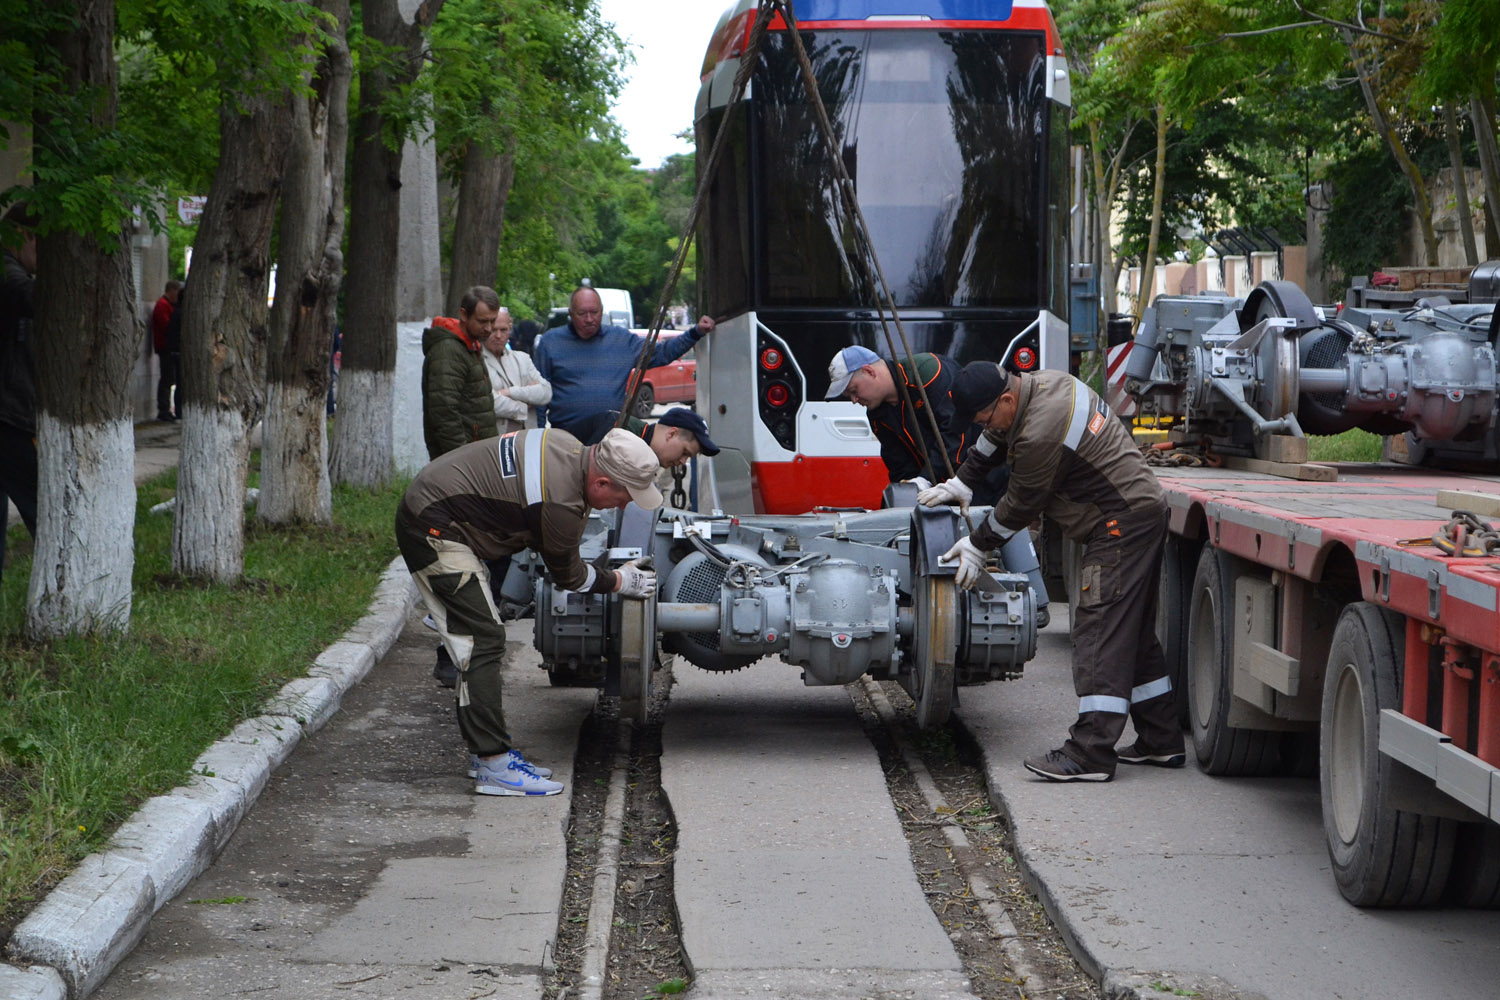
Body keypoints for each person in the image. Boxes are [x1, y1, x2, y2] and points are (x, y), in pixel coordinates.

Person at [922, 361, 1181, 783]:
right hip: (1136, 512)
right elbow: (994, 435)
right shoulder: (1039, 385)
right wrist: (964, 480)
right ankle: (1161, 739)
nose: (983, 425)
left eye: (984, 414)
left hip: (1118, 524)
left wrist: (976, 545)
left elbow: (1021, 504)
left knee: (1098, 631)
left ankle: (1090, 753)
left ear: (1006, 398)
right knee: (1129, 631)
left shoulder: (1041, 432)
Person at [395, 428, 663, 796]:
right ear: (601, 481)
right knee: (483, 639)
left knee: (478, 636)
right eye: (624, 496)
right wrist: (618, 581)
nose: (623, 507)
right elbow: (568, 575)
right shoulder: (562, 503)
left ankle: (485, 754)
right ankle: (493, 764)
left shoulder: (568, 443)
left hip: (435, 501)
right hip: (433, 526)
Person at [828, 344, 1050, 626]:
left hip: (979, 468)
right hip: (937, 480)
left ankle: (1034, 601)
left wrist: (927, 479)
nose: (853, 399)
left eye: (853, 390)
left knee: (995, 519)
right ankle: (952, 607)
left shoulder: (930, 374)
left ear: (870, 371)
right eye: (849, 395)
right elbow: (896, 460)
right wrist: (908, 492)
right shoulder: (878, 412)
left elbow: (957, 435)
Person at [422, 285, 502, 686]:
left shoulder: (467, 346)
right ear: (464, 314)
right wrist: (466, 468)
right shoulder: (449, 350)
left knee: (480, 565)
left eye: (493, 322)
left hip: (469, 473)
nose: (489, 329)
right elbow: (444, 413)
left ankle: (461, 654)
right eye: (483, 321)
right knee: (461, 568)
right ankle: (448, 657)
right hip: (459, 479)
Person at [534, 286, 715, 432]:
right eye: (582, 313)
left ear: (602, 312)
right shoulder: (551, 343)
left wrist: (694, 333)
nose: (589, 319)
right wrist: (538, 436)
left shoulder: (622, 340)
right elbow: (538, 395)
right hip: (565, 438)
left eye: (594, 312)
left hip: (610, 437)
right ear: (571, 313)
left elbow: (661, 353)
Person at [0, 200, 38, 589]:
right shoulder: (9, 274)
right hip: (6, 416)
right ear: (23, 236)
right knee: (41, 502)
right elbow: (26, 298)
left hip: (9, 410)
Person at [561, 405, 720, 468]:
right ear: (672, 433)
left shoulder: (640, 448)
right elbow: (582, 475)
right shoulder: (617, 430)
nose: (682, 462)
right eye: (685, 452)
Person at [483, 306, 551, 434]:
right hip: (494, 441)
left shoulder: (522, 359)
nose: (498, 336)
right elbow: (488, 402)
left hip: (527, 441)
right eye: (494, 330)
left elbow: (546, 392)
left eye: (503, 330)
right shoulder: (477, 361)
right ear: (485, 329)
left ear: (510, 330)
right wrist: (525, 406)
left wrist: (508, 392)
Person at [152, 280, 182, 421]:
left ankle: (168, 409)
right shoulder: (162, 305)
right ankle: (163, 410)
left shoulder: (168, 305)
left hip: (169, 347)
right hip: (165, 348)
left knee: (171, 378)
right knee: (167, 378)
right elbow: (167, 326)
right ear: (171, 290)